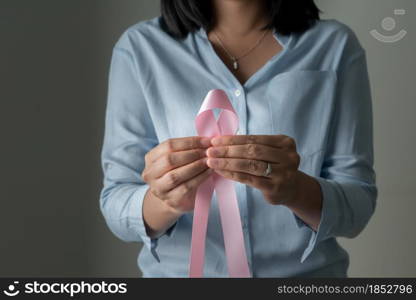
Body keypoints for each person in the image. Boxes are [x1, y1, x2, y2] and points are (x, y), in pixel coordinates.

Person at [99, 0, 377, 277]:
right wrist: (166, 201)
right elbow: (116, 204)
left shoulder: (335, 45)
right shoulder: (139, 48)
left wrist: (296, 190)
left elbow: (358, 205)